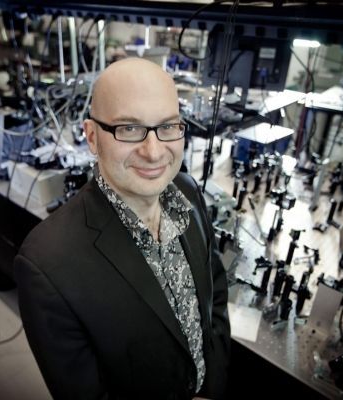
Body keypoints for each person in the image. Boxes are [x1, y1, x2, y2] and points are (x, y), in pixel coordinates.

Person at [14, 57, 230, 399]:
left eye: (168, 126)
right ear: (92, 137)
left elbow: (215, 295)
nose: (154, 152)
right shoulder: (46, 265)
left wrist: (213, 382)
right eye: (129, 129)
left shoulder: (187, 191)